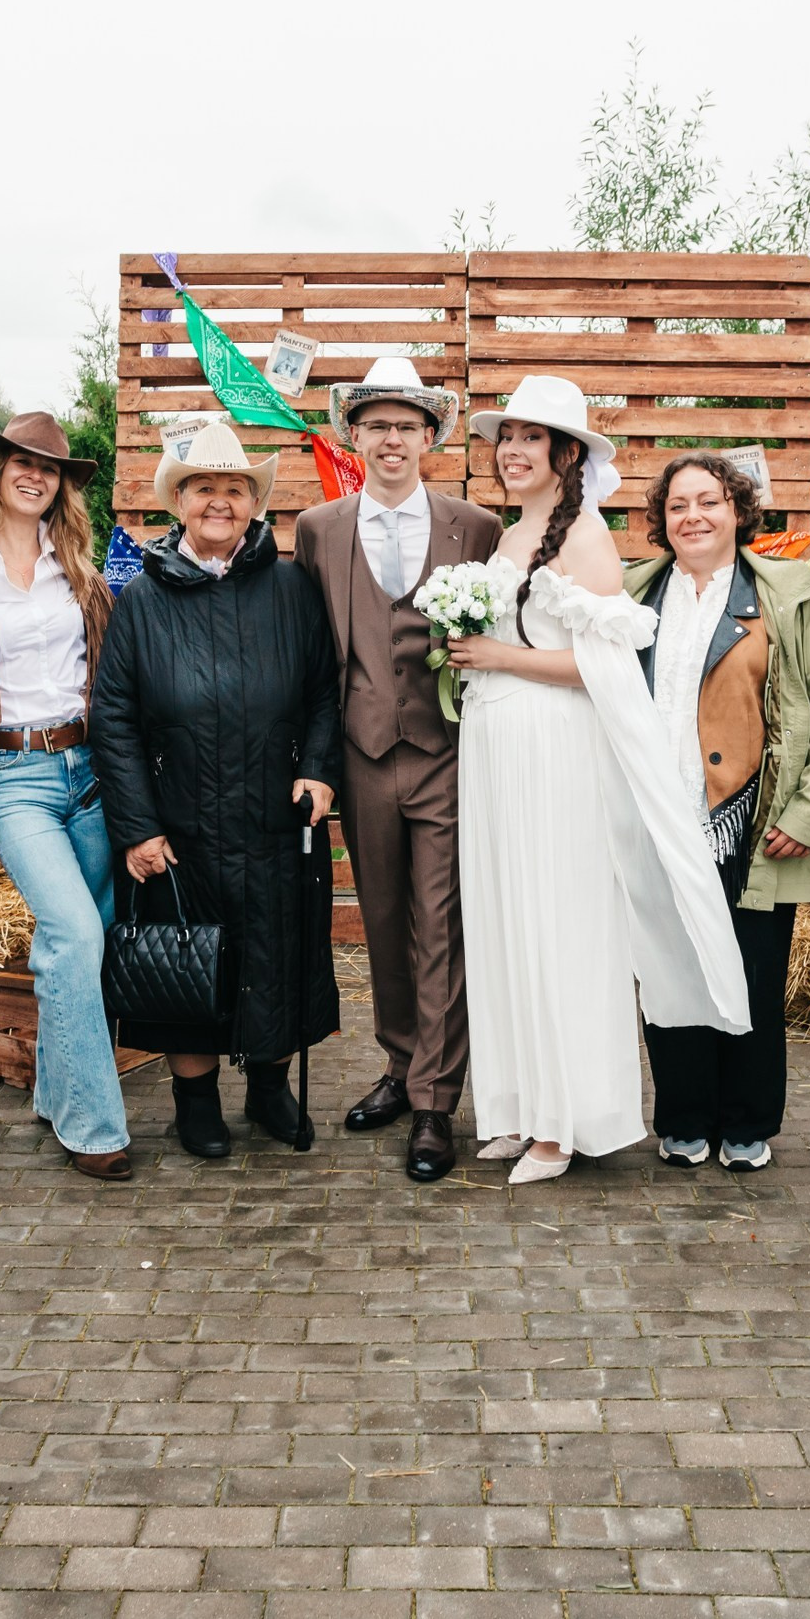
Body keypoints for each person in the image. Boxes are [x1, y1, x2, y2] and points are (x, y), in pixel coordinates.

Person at [444, 376, 750, 1184]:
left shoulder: (583, 536)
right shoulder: (512, 534)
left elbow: (603, 666)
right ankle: (520, 1106)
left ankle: (568, 1122)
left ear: (566, 454)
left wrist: (499, 655)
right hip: (498, 748)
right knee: (509, 924)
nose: (512, 450)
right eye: (506, 437)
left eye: (531, 437)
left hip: (555, 750)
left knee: (561, 928)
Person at [89, 421, 343, 1159]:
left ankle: (269, 1090)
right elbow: (113, 717)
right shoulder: (142, 599)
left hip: (274, 815)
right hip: (182, 820)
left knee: (275, 954)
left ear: (254, 503)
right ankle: (195, 1104)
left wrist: (319, 769)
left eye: (235, 488)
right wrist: (137, 827)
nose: (220, 502)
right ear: (179, 501)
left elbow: (324, 692)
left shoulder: (291, 588)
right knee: (187, 956)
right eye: (204, 488)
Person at [290, 358, 501, 1182]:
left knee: (440, 923)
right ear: (353, 433)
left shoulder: (473, 527)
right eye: (376, 424)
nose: (390, 439)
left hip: (446, 751)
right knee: (381, 920)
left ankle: (436, 1101)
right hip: (362, 754)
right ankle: (401, 1061)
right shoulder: (319, 528)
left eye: (406, 426)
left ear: (430, 436)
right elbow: (317, 654)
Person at [624, 453, 810, 1173]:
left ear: (737, 511)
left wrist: (809, 814)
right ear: (662, 520)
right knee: (671, 972)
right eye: (677, 505)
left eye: (709, 501)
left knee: (752, 973)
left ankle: (748, 1121)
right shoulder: (634, 593)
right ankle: (683, 1117)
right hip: (655, 820)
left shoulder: (785, 594)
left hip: (751, 821)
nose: (692, 516)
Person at [0, 411, 128, 1181]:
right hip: (13, 775)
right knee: (74, 932)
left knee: (86, 936)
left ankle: (53, 1091)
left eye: (48, 467)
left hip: (90, 766)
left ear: (61, 486)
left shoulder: (79, 568)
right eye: (21, 461)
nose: (35, 475)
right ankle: (93, 1126)